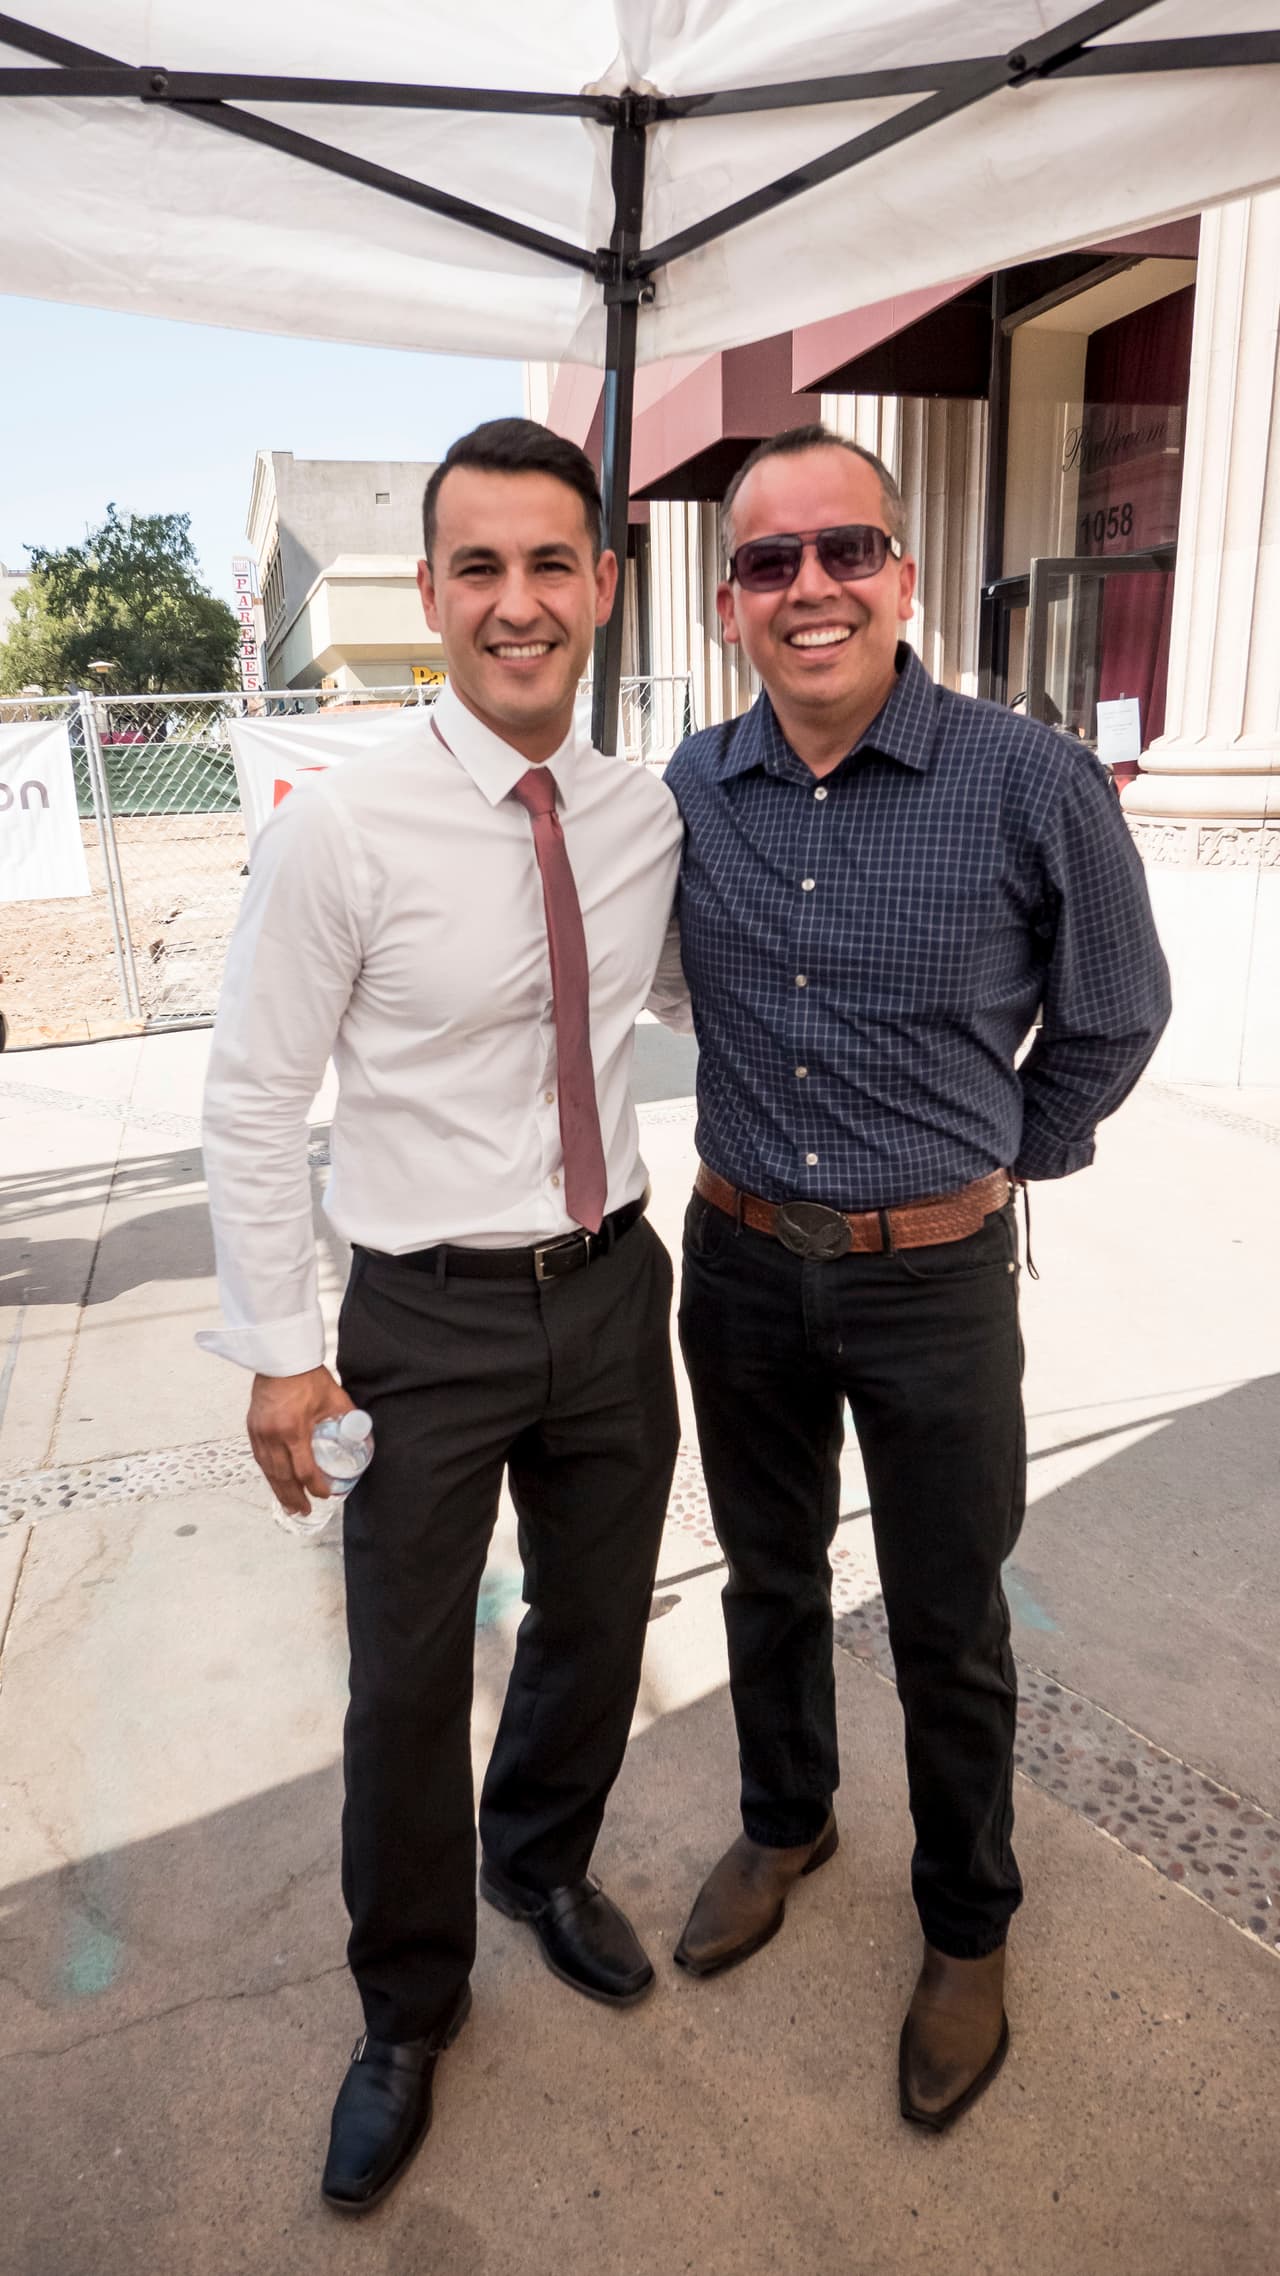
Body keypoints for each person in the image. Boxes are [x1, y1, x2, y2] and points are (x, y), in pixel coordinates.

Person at [661, 425, 1171, 2132]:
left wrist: (1008, 1150)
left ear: (902, 575)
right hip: (732, 1265)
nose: (809, 585)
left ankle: (968, 1924)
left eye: (843, 549)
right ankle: (789, 1813)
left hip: (934, 1285)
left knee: (951, 1625)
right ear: (733, 601)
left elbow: (1117, 1007)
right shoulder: (688, 787)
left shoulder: (1028, 779)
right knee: (768, 1575)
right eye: (767, 560)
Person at [199, 419, 683, 2212]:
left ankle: (537, 1863)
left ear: (602, 589)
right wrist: (278, 1346)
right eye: (478, 566)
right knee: (404, 1680)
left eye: (550, 563)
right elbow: (255, 1096)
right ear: (431, 594)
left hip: (617, 1288)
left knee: (597, 1616)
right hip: (420, 1317)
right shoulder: (347, 828)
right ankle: (406, 2009)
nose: (516, 601)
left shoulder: (646, 813)